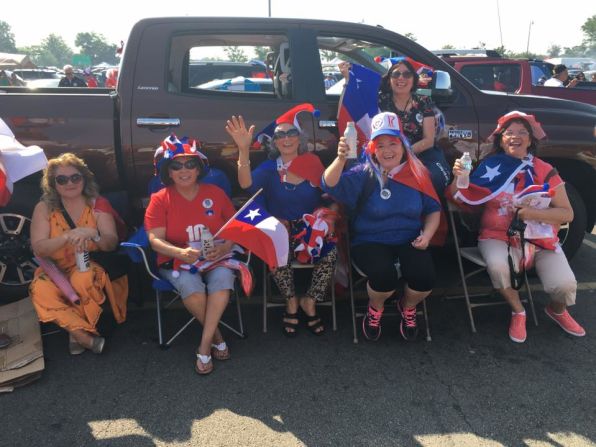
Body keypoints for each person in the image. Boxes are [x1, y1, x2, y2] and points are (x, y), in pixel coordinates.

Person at [448, 111, 585, 343]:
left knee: (564, 285)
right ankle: (517, 310)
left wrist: (531, 213)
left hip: (540, 239)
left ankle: (557, 310)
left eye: (522, 132)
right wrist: (458, 178)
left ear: (531, 140)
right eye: (509, 132)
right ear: (501, 139)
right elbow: (459, 199)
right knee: (499, 267)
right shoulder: (490, 167)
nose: (515, 136)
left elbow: (567, 213)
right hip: (496, 236)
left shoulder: (545, 170)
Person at [322, 112, 441, 341]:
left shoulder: (418, 174)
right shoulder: (362, 174)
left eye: (393, 143)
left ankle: (407, 306)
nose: (387, 150)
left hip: (409, 238)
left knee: (425, 278)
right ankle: (375, 308)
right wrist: (340, 159)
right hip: (370, 239)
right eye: (380, 145)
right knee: (383, 276)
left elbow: (433, 210)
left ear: (404, 147)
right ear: (372, 150)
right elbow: (329, 183)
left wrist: (426, 236)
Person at [225, 106, 338, 337]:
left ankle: (310, 301)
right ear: (274, 142)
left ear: (300, 138)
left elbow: (332, 197)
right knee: (275, 249)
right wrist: (243, 149)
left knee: (331, 253)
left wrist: (330, 217)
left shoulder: (313, 162)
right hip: (281, 229)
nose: (286, 138)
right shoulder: (269, 169)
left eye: (291, 133)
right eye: (280, 135)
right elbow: (246, 184)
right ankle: (291, 301)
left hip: (311, 229)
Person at [144, 139, 237, 375]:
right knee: (189, 284)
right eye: (177, 166)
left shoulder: (215, 193)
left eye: (189, 164)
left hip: (215, 256)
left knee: (223, 278)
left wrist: (226, 247)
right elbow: (155, 240)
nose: (184, 170)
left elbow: (235, 227)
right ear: (168, 172)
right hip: (178, 259)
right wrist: (181, 253)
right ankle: (215, 336)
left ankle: (204, 345)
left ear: (198, 169)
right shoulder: (160, 198)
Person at [30, 153, 128, 355]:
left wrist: (93, 235)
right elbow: (39, 248)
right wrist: (68, 236)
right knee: (40, 289)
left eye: (75, 177)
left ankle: (79, 332)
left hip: (89, 263)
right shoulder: (44, 208)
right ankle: (82, 335)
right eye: (62, 179)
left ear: (84, 179)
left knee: (82, 278)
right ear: (53, 184)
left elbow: (111, 243)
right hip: (55, 268)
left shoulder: (97, 204)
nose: (70, 183)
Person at [339, 59, 450, 193]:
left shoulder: (423, 101)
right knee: (361, 176)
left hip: (419, 153)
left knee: (433, 177)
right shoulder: (379, 101)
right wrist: (347, 81)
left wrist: (403, 154)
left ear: (414, 79)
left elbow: (428, 140)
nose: (401, 78)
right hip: (386, 153)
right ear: (389, 80)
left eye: (407, 74)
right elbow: (349, 106)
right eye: (396, 74)